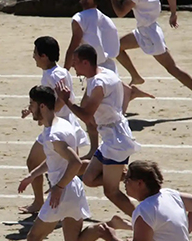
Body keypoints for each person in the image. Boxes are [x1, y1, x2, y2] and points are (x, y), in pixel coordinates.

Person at [4, 85, 119, 241]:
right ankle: (105, 228)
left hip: (63, 192)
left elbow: (74, 162)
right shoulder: (63, 125)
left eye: (32, 105)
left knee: (33, 237)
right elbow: (56, 160)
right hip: (72, 189)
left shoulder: (53, 135)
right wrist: (32, 176)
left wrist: (57, 188)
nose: (30, 109)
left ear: (42, 106)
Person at [109, 0, 192, 115]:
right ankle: (136, 77)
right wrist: (173, 13)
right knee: (116, 46)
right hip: (147, 30)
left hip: (150, 34)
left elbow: (120, 12)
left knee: (172, 68)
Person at [55, 45, 140, 220]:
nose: (73, 66)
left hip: (116, 141)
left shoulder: (98, 84)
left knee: (111, 191)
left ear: (85, 62)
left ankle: (142, 219)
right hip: (112, 135)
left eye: (75, 63)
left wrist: (66, 101)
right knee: (89, 178)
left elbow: (86, 115)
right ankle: (124, 175)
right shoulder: (106, 73)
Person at [66, 0, 150, 150]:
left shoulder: (79, 18)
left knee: (88, 112)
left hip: (94, 70)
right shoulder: (107, 20)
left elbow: (73, 46)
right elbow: (115, 49)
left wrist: (64, 71)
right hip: (109, 69)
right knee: (109, 115)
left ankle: (96, 150)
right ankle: (127, 90)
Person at [19, 36, 88, 214]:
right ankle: (43, 202)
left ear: (43, 56)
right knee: (62, 166)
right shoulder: (51, 73)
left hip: (60, 127)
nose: (33, 56)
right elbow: (47, 99)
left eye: (35, 53)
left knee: (69, 167)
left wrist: (44, 115)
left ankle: (45, 204)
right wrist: (32, 110)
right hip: (54, 125)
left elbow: (64, 101)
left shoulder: (56, 75)